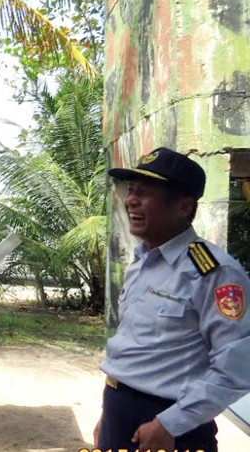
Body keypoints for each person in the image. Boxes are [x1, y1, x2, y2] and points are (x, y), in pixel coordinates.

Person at [96, 147, 250, 452]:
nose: (130, 200)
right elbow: (134, 348)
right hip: (119, 408)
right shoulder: (142, 261)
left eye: (144, 193)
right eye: (130, 190)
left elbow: (238, 367)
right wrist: (109, 416)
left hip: (170, 426)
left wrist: (171, 423)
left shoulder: (214, 273)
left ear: (183, 206)